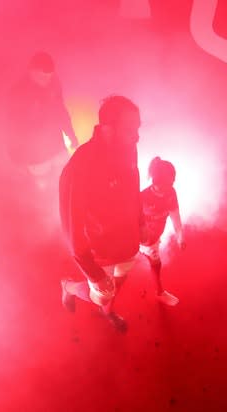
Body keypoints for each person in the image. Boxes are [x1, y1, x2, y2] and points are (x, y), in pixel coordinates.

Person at [59, 95, 145, 333]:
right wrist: (91, 271)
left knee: (116, 285)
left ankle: (107, 312)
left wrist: (141, 222)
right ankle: (69, 287)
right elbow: (71, 226)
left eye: (137, 128)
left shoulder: (129, 148)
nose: (136, 136)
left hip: (128, 242)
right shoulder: (81, 166)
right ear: (108, 127)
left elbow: (133, 181)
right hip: (100, 251)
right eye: (130, 129)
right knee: (102, 293)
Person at [5, 52, 79, 190]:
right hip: (35, 156)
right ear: (31, 72)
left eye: (49, 76)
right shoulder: (18, 93)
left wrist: (71, 134)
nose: (47, 80)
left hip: (56, 147)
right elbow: (13, 128)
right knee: (42, 186)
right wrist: (16, 157)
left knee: (65, 179)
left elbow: (61, 111)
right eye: (42, 76)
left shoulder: (54, 85)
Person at [139, 157, 185, 306]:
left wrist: (180, 236)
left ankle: (159, 292)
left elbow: (175, 215)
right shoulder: (143, 197)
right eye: (166, 184)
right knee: (119, 270)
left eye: (172, 182)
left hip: (151, 240)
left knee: (155, 263)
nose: (169, 187)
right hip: (138, 239)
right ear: (156, 182)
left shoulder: (171, 193)